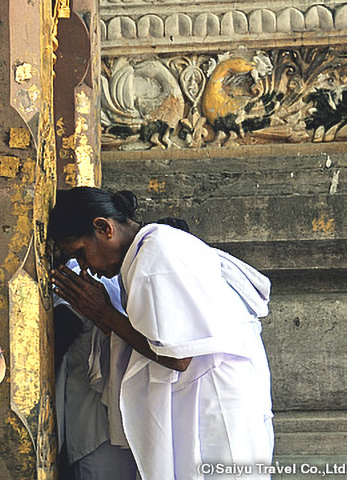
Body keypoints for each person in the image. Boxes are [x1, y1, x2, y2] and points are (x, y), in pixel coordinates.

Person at [50, 186, 274, 480]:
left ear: (104, 228)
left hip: (213, 404)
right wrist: (105, 318)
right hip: (209, 398)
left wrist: (104, 313)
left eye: (81, 252)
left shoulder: (156, 255)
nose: (85, 266)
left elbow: (177, 356)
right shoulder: (154, 249)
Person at [54, 259, 137, 480]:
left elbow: (63, 329)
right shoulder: (115, 268)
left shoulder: (79, 271)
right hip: (103, 423)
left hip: (98, 424)